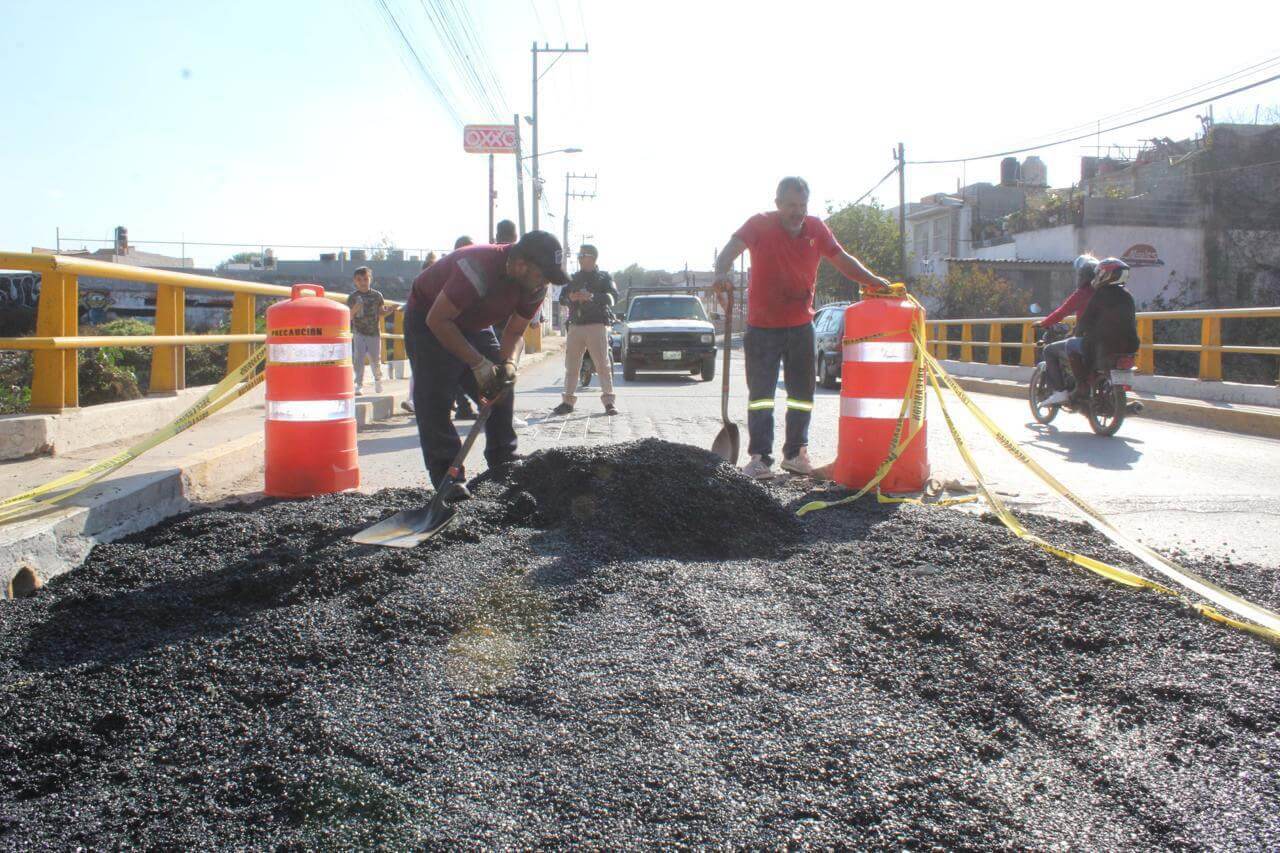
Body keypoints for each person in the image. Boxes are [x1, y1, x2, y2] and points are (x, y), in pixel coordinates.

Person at [712, 176, 890, 479]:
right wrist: (720, 273)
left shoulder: (816, 229)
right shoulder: (758, 225)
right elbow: (729, 250)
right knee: (762, 395)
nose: (797, 212)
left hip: (800, 326)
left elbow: (842, 259)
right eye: (791, 205)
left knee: (801, 394)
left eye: (802, 205)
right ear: (778, 204)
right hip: (762, 327)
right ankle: (760, 458)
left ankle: (795, 454)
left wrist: (874, 281)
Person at [403, 230, 567, 499]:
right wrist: (478, 363)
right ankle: (449, 478)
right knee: (434, 398)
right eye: (542, 275)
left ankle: (504, 460)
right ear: (520, 264)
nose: (545, 283)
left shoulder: (535, 287)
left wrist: (509, 365)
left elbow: (514, 333)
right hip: (429, 319)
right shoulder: (478, 268)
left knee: (501, 385)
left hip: (473, 322)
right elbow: (439, 321)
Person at [552, 244, 619, 416]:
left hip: (596, 325)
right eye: (579, 255)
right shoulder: (572, 278)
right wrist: (570, 297)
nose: (579, 258)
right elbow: (561, 298)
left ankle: (609, 402)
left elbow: (613, 298)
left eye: (582, 255)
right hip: (575, 326)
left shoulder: (604, 278)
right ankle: (567, 402)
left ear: (592, 257)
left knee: (602, 365)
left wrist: (592, 296)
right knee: (572, 366)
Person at [1071, 257, 1140, 401]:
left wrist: (1077, 332)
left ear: (1105, 275)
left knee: (1071, 347)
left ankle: (1081, 386)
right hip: (1130, 345)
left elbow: (1086, 319)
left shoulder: (1100, 295)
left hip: (1103, 344)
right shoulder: (1128, 296)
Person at [1036, 254, 1099, 406]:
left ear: (1082, 275)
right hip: (1108, 340)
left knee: (1049, 350)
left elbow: (1062, 312)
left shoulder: (1083, 293)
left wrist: (1044, 323)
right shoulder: (1107, 293)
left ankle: (1060, 392)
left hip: (1088, 340)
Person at [347, 266, 393, 395]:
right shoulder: (352, 297)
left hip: (373, 332)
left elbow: (380, 311)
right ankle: (358, 384)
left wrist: (386, 311)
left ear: (370, 280)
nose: (362, 282)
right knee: (358, 358)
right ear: (355, 281)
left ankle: (378, 379)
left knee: (375, 359)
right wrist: (356, 308)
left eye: (365, 279)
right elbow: (348, 316)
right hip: (358, 332)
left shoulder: (377, 295)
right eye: (359, 279)